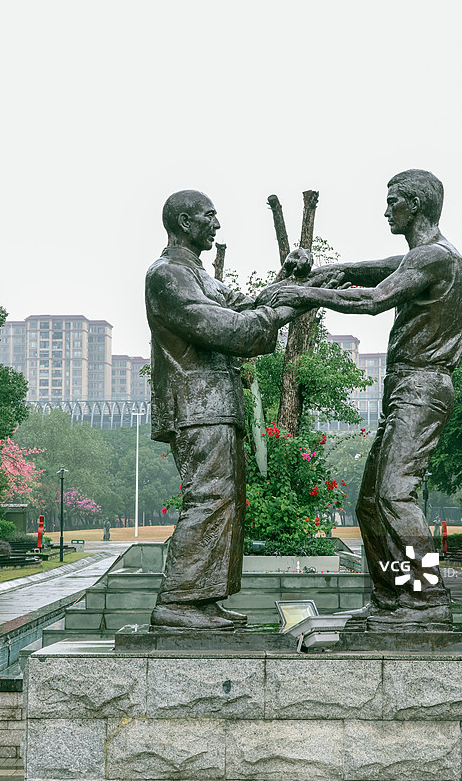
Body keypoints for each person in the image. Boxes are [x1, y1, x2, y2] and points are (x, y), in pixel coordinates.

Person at [262, 170, 462, 630]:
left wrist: (307, 293)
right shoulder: (424, 256)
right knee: (370, 501)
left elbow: (375, 298)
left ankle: (427, 599)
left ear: (414, 205)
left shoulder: (437, 258)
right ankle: (393, 598)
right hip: (407, 387)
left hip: (423, 386)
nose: (386, 209)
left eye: (392, 200)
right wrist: (323, 272)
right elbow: (375, 268)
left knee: (395, 495)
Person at [145, 190, 299, 630]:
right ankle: (177, 602)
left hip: (216, 406)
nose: (216, 224)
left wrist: (289, 282)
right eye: (209, 216)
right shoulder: (168, 275)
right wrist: (287, 307)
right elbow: (227, 327)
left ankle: (202, 598)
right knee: (209, 498)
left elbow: (246, 306)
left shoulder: (200, 275)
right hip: (196, 406)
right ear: (184, 221)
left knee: (226, 500)